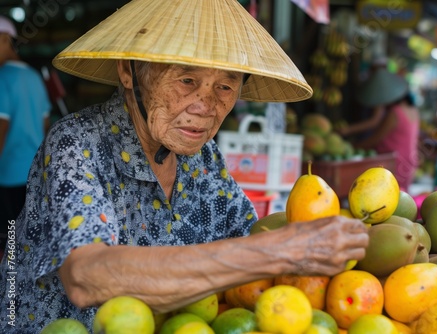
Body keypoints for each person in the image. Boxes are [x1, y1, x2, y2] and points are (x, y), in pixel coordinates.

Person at [0, 0, 369, 332]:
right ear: (128, 71)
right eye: (187, 80)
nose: (204, 106)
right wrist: (283, 250)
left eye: (225, 88)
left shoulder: (204, 159)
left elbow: (245, 241)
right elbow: (86, 275)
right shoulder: (76, 142)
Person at [0, 16, 52, 254]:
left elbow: (1, 127)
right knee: (30, 237)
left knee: (9, 238)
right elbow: (45, 126)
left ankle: (10, 286)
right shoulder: (34, 77)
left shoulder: (2, 78)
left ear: (4, 40)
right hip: (35, 173)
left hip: (8, 176)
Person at [352, 70, 420, 191]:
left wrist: (354, 147)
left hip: (393, 165)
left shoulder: (395, 113)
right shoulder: (413, 110)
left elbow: (376, 139)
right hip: (408, 162)